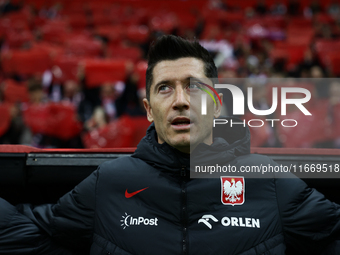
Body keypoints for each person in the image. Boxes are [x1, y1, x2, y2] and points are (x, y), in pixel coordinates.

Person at [1, 35, 340, 254]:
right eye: (165, 88)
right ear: (148, 110)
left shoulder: (269, 181)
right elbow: (24, 231)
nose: (181, 101)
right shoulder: (109, 184)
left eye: (194, 87)